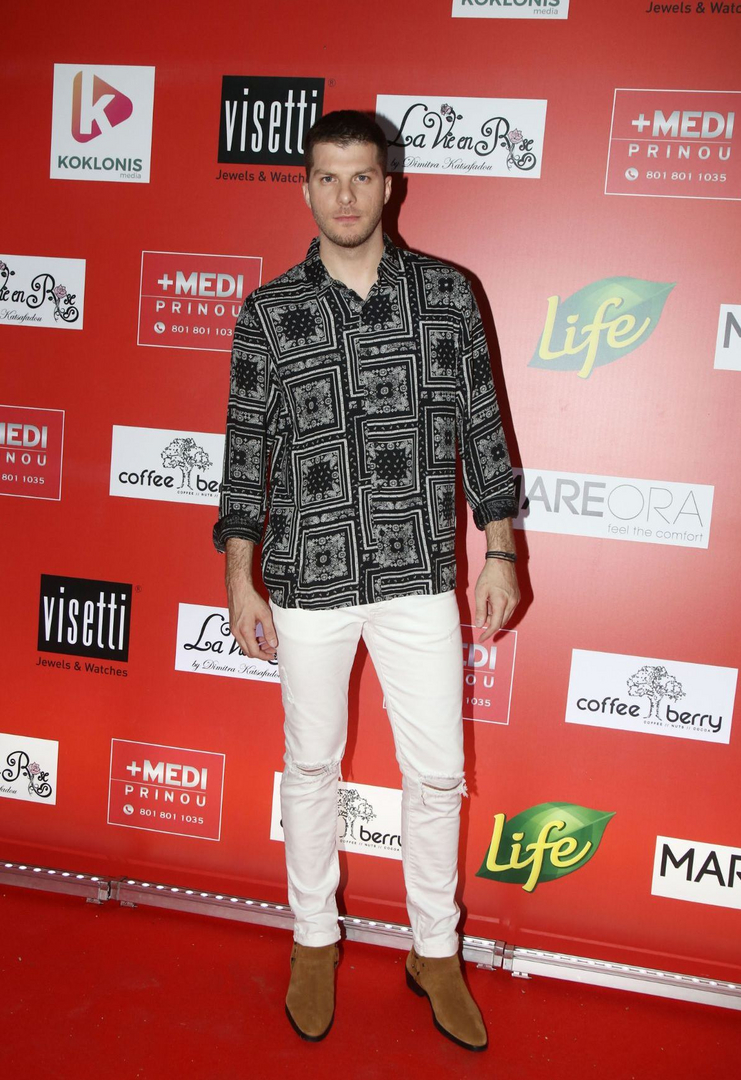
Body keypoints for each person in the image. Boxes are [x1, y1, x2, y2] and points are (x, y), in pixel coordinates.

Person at [213, 110, 519, 1051]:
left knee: (437, 775)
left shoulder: (449, 296)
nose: (344, 196)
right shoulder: (269, 313)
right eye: (327, 177)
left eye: (360, 177)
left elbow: (483, 426)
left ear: (390, 185)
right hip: (308, 579)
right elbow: (246, 454)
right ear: (306, 188)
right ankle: (314, 940)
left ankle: (436, 952)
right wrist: (240, 577)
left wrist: (501, 549)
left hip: (419, 571)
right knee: (310, 767)